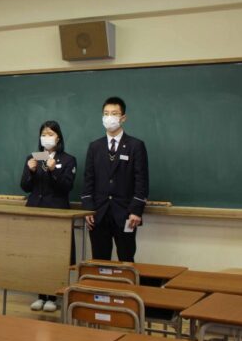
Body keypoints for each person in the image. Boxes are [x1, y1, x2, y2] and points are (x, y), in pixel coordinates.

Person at [81, 96, 149, 262]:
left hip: (126, 215)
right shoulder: (95, 146)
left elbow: (141, 180)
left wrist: (136, 211)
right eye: (106, 113)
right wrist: (88, 209)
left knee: (126, 259)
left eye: (114, 113)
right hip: (99, 214)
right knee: (99, 261)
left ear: (123, 118)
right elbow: (88, 180)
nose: (109, 117)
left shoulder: (135, 145)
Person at [20, 120, 77, 312]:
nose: (46, 137)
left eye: (50, 134)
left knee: (55, 255)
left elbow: (66, 187)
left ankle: (53, 296)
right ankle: (40, 295)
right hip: (36, 211)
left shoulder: (68, 160)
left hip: (56, 213)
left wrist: (53, 171)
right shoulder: (34, 157)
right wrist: (30, 171)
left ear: (58, 137)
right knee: (37, 254)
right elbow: (25, 186)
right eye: (43, 134)